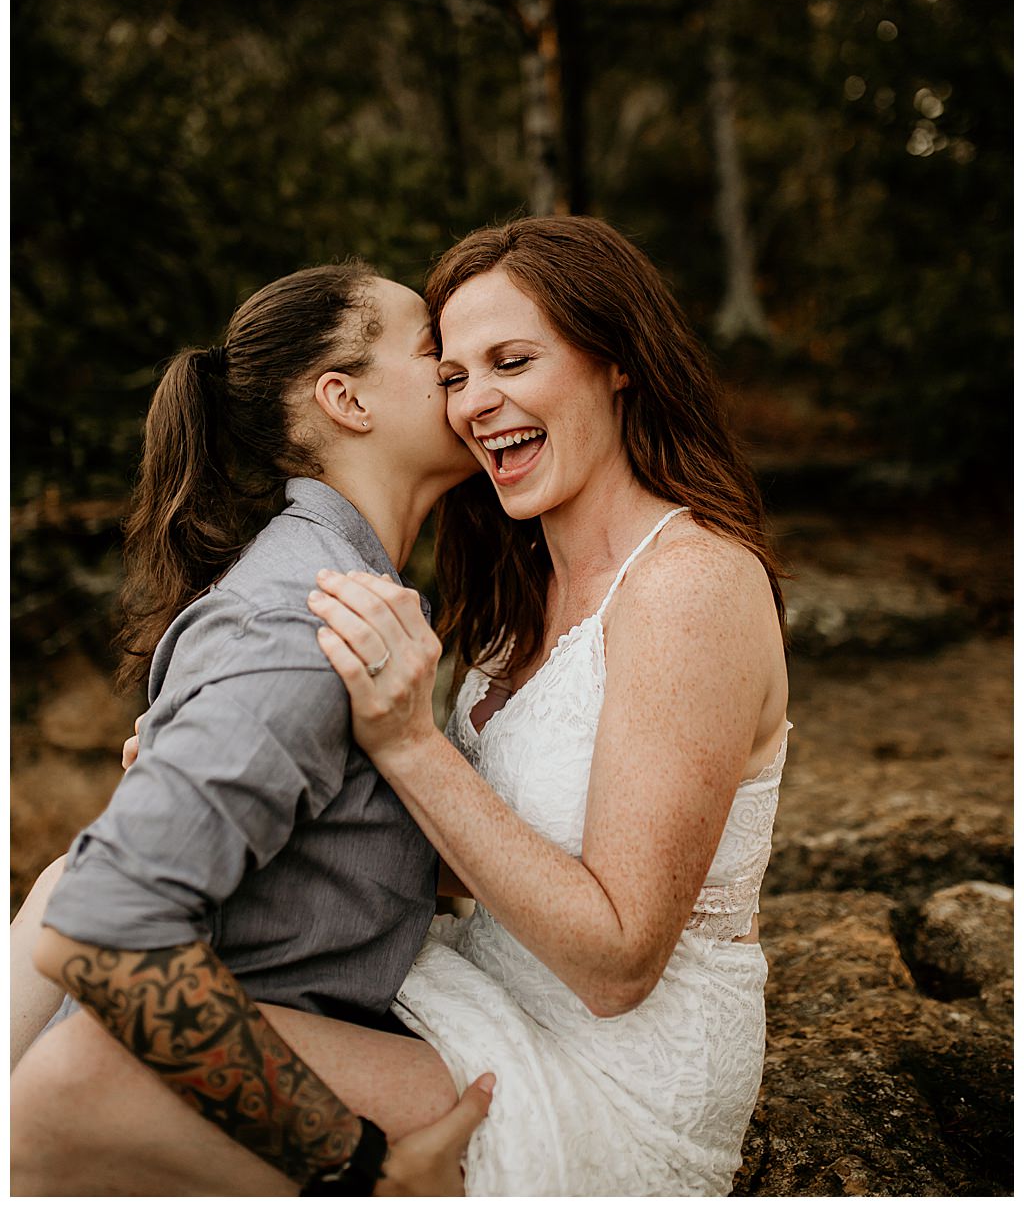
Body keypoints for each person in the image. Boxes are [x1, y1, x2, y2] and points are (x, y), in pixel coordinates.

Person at [305, 216, 791, 1194]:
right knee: (94, 925)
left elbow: (617, 960)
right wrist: (255, 785)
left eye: (513, 360)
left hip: (614, 1074)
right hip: (484, 995)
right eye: (453, 376)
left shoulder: (689, 585)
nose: (477, 402)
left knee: (122, 1044)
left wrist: (407, 741)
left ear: (616, 360)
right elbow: (480, 852)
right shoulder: (518, 591)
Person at [10, 260, 494, 1196]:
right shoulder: (302, 627)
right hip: (174, 1136)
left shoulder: (346, 595)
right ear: (344, 399)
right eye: (435, 348)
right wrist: (355, 1166)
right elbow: (104, 928)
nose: (463, 369)